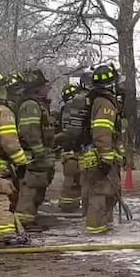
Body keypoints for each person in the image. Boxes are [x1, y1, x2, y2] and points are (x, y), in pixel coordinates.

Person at [81, 64, 123, 235]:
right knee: (100, 194)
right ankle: (96, 231)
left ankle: (102, 227)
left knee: (104, 194)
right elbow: (102, 131)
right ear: (110, 84)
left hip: (93, 154)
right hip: (100, 156)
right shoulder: (105, 103)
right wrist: (106, 158)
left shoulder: (95, 100)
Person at [14, 69, 54, 227]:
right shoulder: (30, 105)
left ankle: (29, 220)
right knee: (29, 191)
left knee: (37, 189)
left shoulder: (37, 104)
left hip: (39, 155)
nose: (47, 88)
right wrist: (39, 152)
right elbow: (29, 131)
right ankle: (24, 223)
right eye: (44, 85)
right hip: (33, 157)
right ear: (36, 88)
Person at [0, 73, 28, 245]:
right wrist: (21, 162)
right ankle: (3, 235)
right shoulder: (3, 112)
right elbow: (10, 143)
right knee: (0, 197)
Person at [55, 73, 92, 213]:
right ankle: (83, 207)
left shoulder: (65, 109)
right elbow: (74, 131)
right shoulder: (78, 106)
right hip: (77, 150)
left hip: (68, 152)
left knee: (71, 181)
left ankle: (68, 205)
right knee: (82, 179)